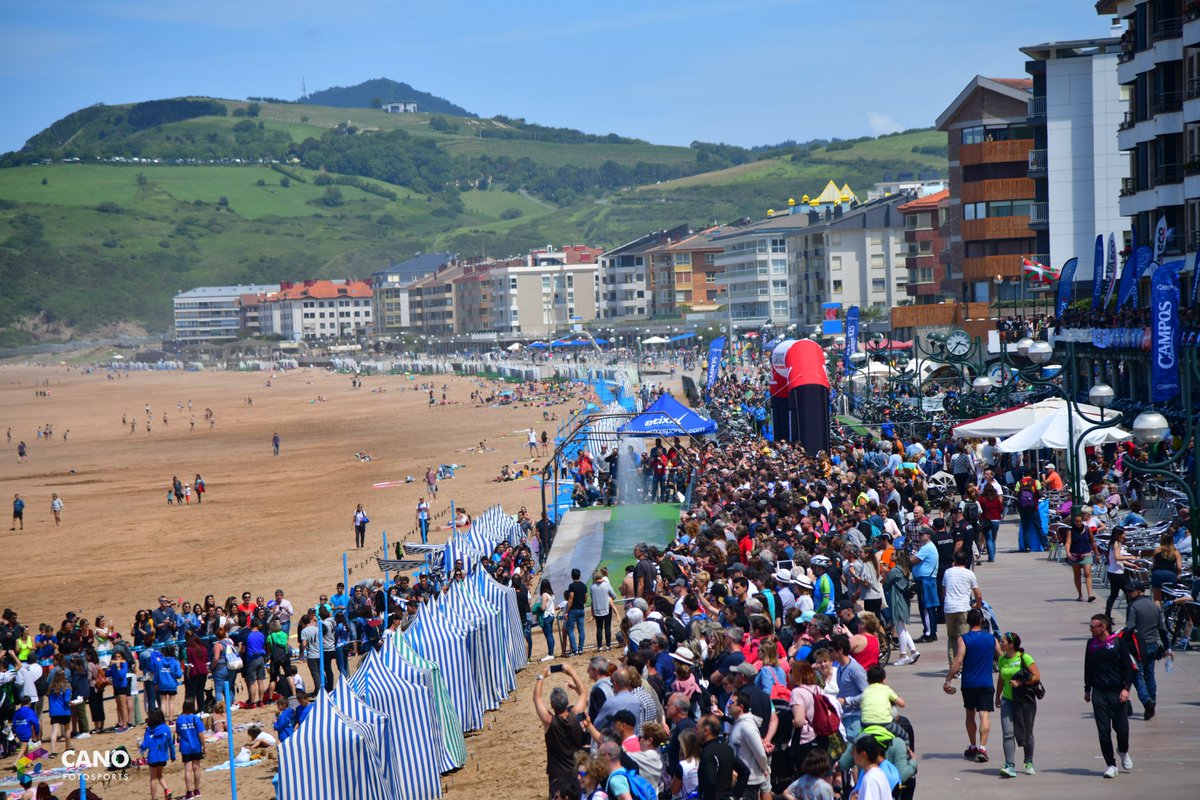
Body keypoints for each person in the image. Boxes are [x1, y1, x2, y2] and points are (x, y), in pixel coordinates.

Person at [944, 607, 1000, 763]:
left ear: (968, 622)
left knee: (970, 715)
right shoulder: (991, 639)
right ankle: (983, 748)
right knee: (984, 715)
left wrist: (948, 679)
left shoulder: (964, 639)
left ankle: (973, 745)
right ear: (982, 621)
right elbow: (1001, 657)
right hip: (986, 683)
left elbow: (958, 661)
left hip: (969, 683)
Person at [1084, 613, 1133, 778]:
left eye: (1093, 626)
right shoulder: (1091, 644)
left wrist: (1126, 689)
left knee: (1122, 729)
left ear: (1103, 627)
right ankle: (1111, 764)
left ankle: (1123, 750)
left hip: (1117, 691)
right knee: (1103, 731)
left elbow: (1128, 667)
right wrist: (1087, 689)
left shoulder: (1117, 642)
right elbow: (1088, 668)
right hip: (1099, 692)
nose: (1090, 628)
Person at [532, 663, 589, 798]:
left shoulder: (549, 721)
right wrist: (571, 672)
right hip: (576, 772)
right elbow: (583, 693)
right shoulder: (576, 715)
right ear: (567, 702)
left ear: (552, 705)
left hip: (557, 775)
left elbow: (537, 698)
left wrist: (541, 676)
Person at [1123, 580, 1171, 720]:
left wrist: (1122, 641)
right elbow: (1162, 629)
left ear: (1139, 591)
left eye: (1131, 591)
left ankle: (1146, 701)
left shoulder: (1133, 606)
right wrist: (1167, 646)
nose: (1128, 593)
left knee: (1135, 674)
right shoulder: (1154, 606)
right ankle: (1152, 703)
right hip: (1152, 645)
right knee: (1150, 675)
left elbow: (1130, 627)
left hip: (1138, 647)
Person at [996, 631, 1039, 778]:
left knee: (1027, 732)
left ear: (1011, 645)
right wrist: (997, 696)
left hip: (1024, 701)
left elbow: (1036, 676)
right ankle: (1010, 765)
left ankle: (1028, 762)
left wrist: (1021, 682)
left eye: (1003, 641)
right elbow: (1001, 679)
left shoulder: (1024, 658)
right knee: (1008, 733)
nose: (1000, 643)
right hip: (1007, 700)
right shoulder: (1002, 659)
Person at [942, 550, 982, 667]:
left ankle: (952, 665)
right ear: (966, 561)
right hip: (963, 608)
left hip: (949, 608)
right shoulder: (969, 574)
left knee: (951, 637)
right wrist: (977, 607)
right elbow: (978, 594)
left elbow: (944, 591)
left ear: (954, 561)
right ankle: (962, 666)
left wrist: (948, 601)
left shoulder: (948, 572)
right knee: (963, 638)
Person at [697, 714, 751, 800]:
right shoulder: (728, 748)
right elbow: (745, 771)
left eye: (697, 729)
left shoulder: (707, 752)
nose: (696, 732)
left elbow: (711, 781)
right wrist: (735, 795)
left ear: (706, 731)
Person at [910, 528, 939, 642]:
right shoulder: (927, 547)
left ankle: (928, 634)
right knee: (930, 607)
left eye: (922, 534)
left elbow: (913, 561)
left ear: (928, 536)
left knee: (926, 608)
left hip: (925, 581)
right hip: (927, 580)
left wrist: (908, 557)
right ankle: (932, 631)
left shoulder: (927, 548)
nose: (919, 536)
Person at [139, 709, 175, 800]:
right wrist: (173, 755)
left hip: (153, 758)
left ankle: (154, 798)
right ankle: (167, 790)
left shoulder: (149, 730)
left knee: (153, 778)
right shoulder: (166, 728)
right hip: (163, 757)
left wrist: (140, 746)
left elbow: (145, 745)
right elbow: (171, 743)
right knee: (160, 775)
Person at [1104, 526, 1137, 621]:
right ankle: (1130, 616)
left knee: (1113, 595)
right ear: (1118, 534)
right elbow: (1117, 557)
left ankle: (1107, 615)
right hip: (1117, 574)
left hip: (1112, 572)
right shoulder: (1116, 543)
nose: (1124, 536)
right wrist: (1130, 558)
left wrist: (1131, 564)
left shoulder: (1114, 543)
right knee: (1130, 592)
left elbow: (1117, 560)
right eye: (1123, 534)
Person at [1064, 513, 1098, 603]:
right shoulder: (1070, 531)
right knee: (1077, 575)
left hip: (1086, 554)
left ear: (1082, 521)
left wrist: (1097, 553)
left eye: (1080, 521)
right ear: (1074, 522)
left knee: (1087, 573)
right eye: (1076, 521)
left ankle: (1090, 594)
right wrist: (1068, 553)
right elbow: (1068, 543)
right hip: (1075, 555)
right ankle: (1080, 594)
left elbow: (1092, 542)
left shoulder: (1087, 529)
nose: (1078, 523)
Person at [176, 699, 205, 799]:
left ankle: (189, 792)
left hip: (186, 747)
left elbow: (178, 733)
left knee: (188, 769)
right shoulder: (195, 718)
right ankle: (197, 790)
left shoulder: (179, 719)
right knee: (196, 768)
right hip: (196, 746)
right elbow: (200, 734)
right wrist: (204, 746)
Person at [849, 734, 893, 800]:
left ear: (863, 754)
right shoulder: (880, 773)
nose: (852, 754)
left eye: (854, 752)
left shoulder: (870, 779)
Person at [590, 569, 618, 652]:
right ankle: (608, 646)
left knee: (599, 628)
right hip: (607, 609)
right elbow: (614, 595)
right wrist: (608, 599)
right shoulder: (606, 585)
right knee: (607, 627)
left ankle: (599, 647)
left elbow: (592, 598)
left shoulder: (592, 587)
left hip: (597, 610)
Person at [1149, 533, 1182, 603]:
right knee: (1171, 596)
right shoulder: (1176, 552)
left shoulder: (1156, 550)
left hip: (1157, 573)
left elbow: (1153, 564)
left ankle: (1157, 613)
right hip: (1170, 574)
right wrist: (1178, 575)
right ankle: (1169, 607)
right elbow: (1179, 568)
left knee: (1157, 599)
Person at [565, 569, 588, 656]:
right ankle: (581, 648)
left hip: (573, 610)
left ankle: (575, 650)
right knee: (581, 630)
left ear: (572, 576)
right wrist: (582, 602)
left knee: (570, 630)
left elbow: (571, 597)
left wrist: (567, 611)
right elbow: (586, 597)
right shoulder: (584, 585)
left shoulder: (571, 586)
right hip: (581, 609)